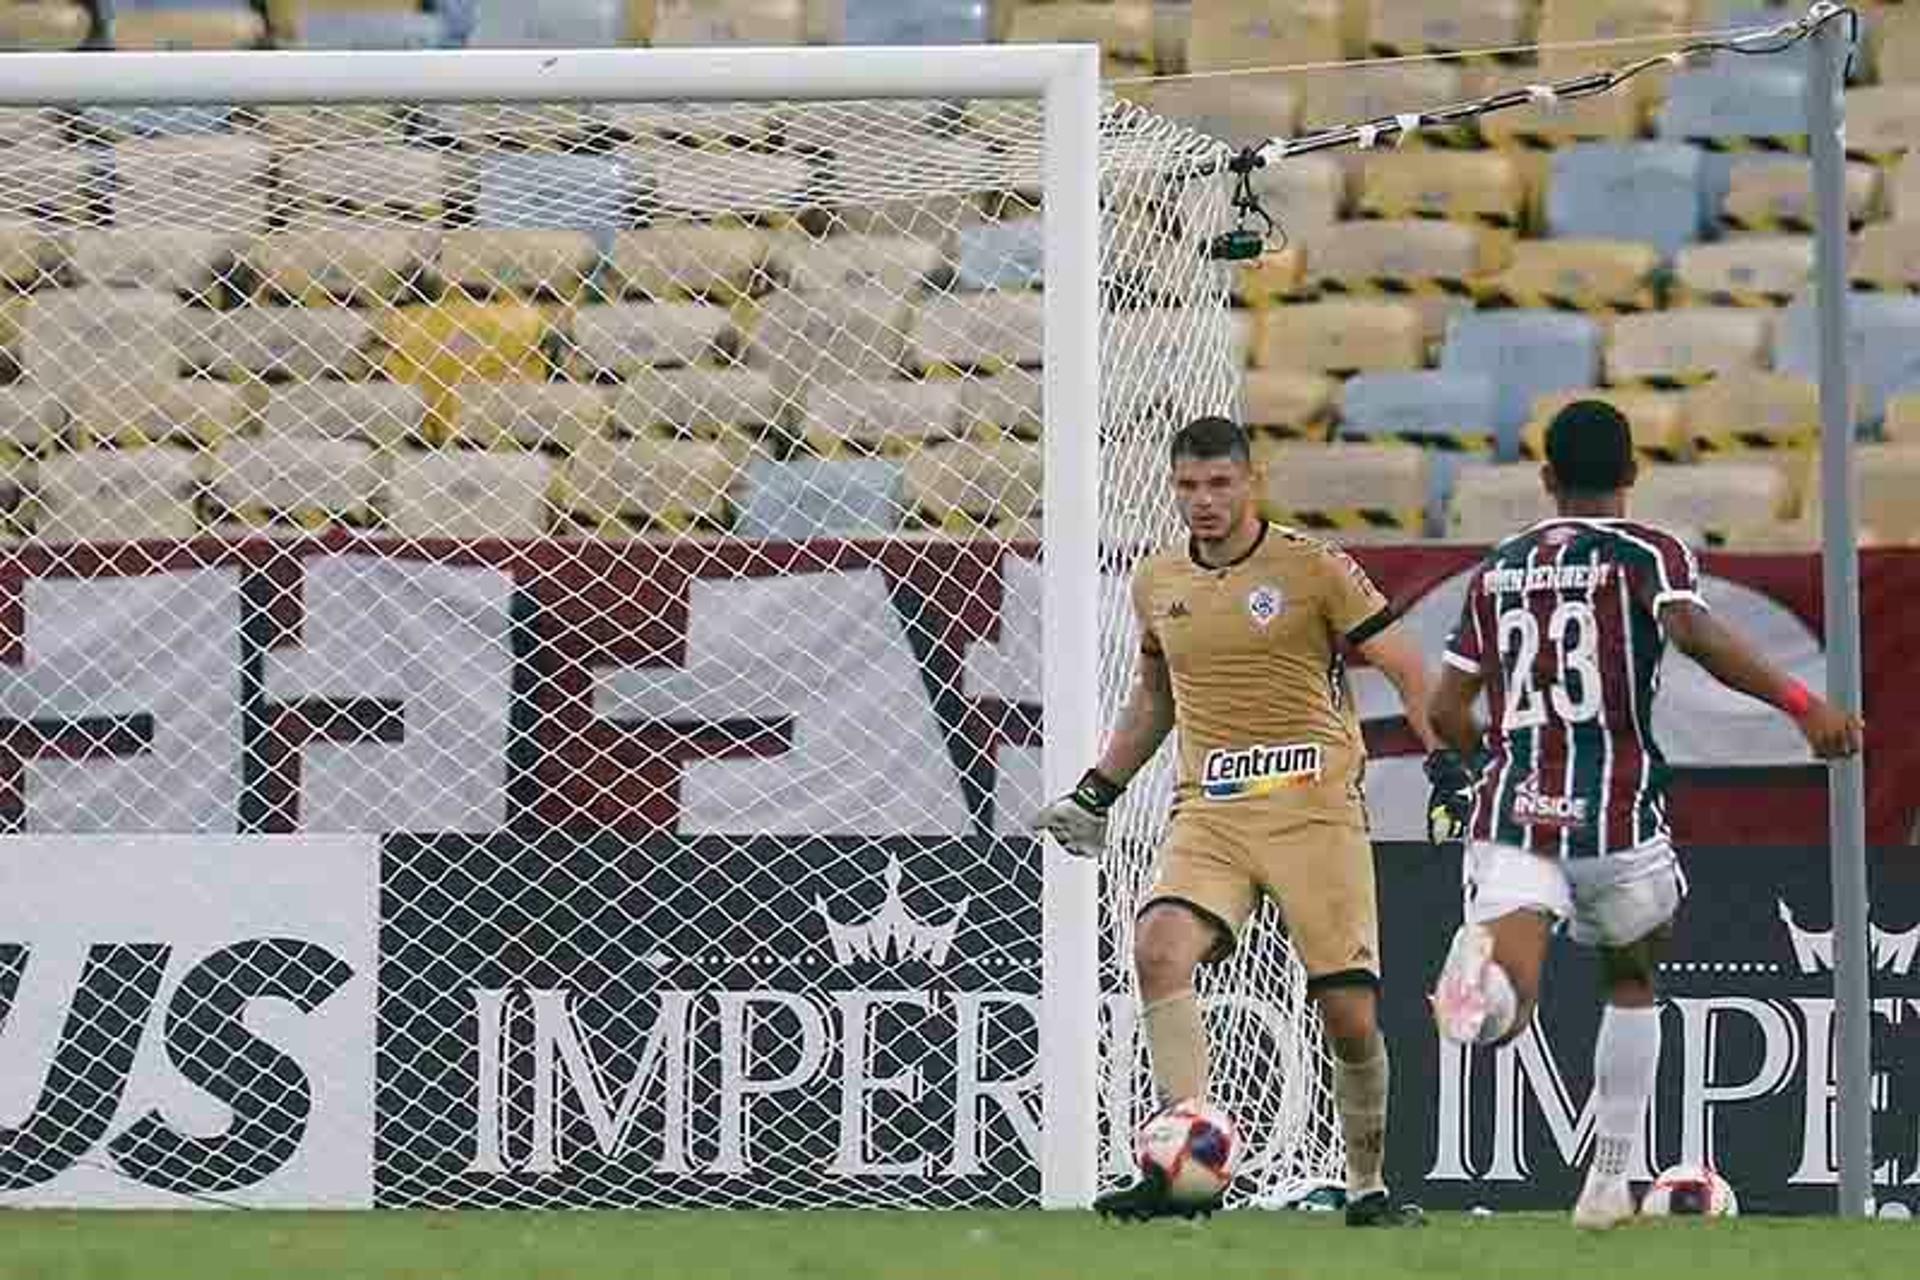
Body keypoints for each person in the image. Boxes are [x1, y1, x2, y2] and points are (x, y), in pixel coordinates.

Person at [1424, 399, 1863, 1230]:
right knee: (1632, 982)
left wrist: (1499, 758)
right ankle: (1608, 1181)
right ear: (1632, 474)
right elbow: (1696, 634)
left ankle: (1479, 989)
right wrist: (1805, 704)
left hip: (1517, 812)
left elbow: (1448, 711)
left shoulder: (1499, 568)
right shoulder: (1649, 553)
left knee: (1506, 1004)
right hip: (1619, 818)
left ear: (1548, 480)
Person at [1032, 415, 1463, 1226]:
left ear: (1251, 480)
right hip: (1212, 813)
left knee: (1348, 1015)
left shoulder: (1313, 568)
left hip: (1315, 813)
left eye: (1220, 484)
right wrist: (1098, 791)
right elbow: (1155, 700)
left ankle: (1367, 1188)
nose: (1204, 501)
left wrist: (1444, 760)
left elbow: (1407, 666)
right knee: (1159, 948)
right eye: (1189, 486)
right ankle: (1186, 1160)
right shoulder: (1158, 580)